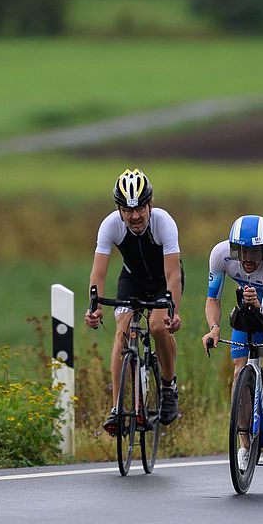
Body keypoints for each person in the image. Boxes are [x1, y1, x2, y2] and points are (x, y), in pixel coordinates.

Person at [84, 169, 183, 434]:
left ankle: (168, 385)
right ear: (119, 209)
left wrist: (173, 311)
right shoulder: (110, 225)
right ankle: (117, 408)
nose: (135, 216)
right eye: (128, 210)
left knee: (158, 327)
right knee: (123, 331)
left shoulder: (164, 223)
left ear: (149, 204)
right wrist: (94, 309)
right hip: (132, 280)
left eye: (140, 208)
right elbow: (99, 273)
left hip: (163, 281)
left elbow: (174, 275)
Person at [202, 215, 263, 469]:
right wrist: (214, 329)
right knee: (239, 371)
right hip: (248, 302)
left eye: (255, 251)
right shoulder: (219, 254)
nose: (247, 257)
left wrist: (258, 305)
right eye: (242, 250)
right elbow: (213, 299)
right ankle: (246, 444)